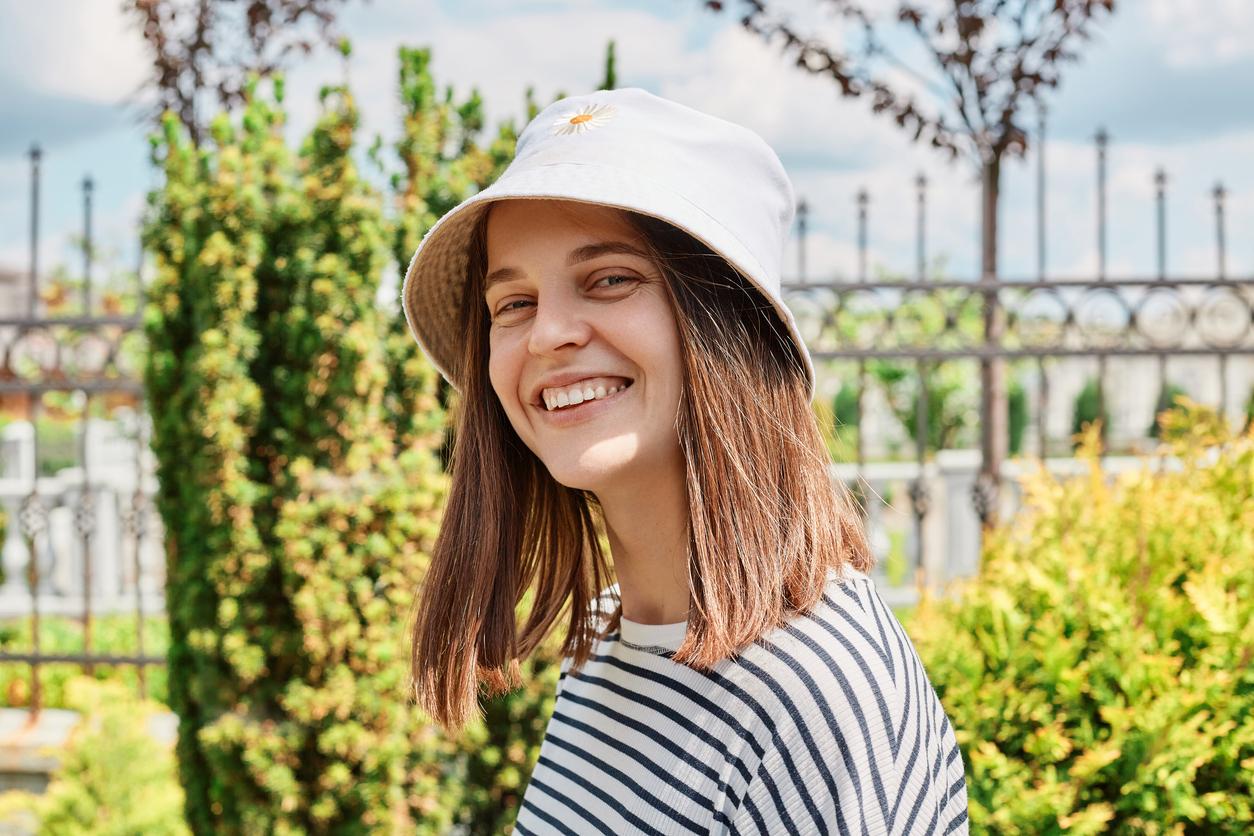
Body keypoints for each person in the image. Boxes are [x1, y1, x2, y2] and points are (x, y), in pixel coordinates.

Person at [404, 87, 968, 835]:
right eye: (513, 302)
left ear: (729, 325)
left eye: (609, 279)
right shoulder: (610, 639)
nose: (548, 335)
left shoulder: (819, 694)